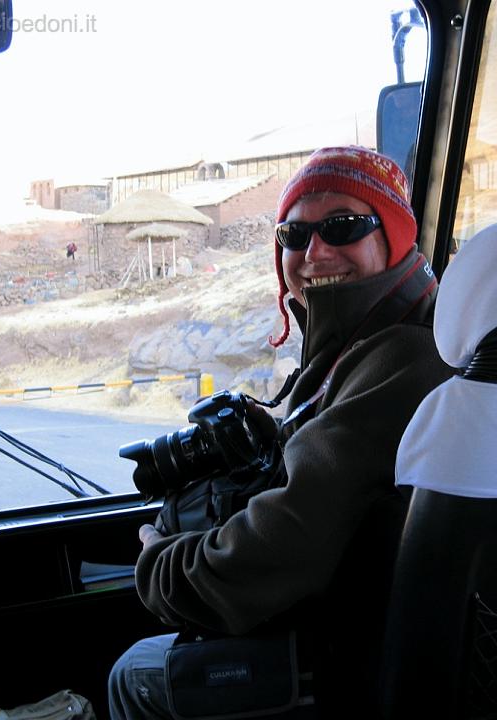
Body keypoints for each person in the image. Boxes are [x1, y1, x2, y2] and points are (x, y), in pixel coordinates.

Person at [108, 146, 455, 718]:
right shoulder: (364, 344)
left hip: (360, 658)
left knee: (132, 674)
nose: (314, 252)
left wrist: (159, 564)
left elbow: (286, 546)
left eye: (343, 227)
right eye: (293, 236)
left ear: (393, 235)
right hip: (415, 635)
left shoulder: (406, 358)